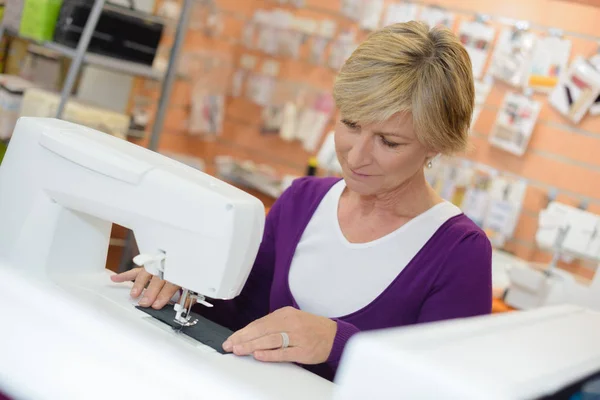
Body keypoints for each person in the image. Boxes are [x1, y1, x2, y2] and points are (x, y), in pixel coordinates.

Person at [111, 21, 492, 381]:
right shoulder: (302, 202)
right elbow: (241, 314)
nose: (356, 156)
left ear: (437, 144)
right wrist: (186, 284)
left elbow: (445, 386)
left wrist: (338, 343)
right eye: (350, 124)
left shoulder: (459, 252)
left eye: (389, 142)